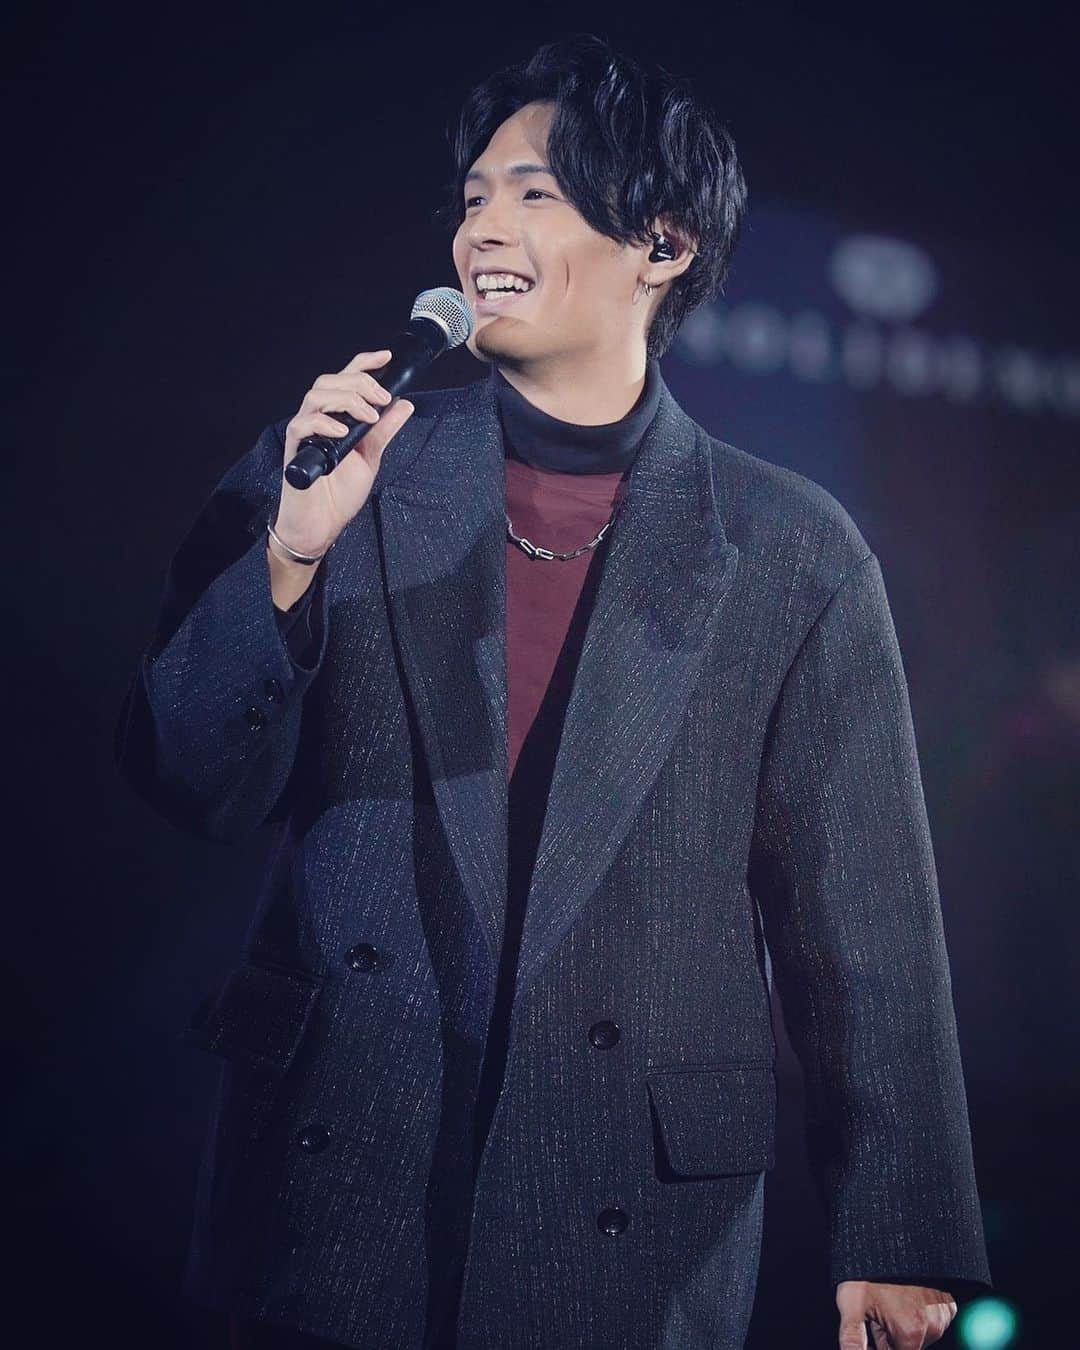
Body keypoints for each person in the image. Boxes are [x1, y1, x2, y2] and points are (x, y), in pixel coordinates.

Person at [115, 33, 993, 1350]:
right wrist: (291, 554)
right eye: (473, 197)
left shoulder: (793, 549)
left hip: (627, 1204)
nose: (484, 228)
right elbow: (186, 775)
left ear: (663, 244)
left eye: (536, 192)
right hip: (336, 1168)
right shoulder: (345, 470)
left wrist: (901, 1230)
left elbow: (865, 917)